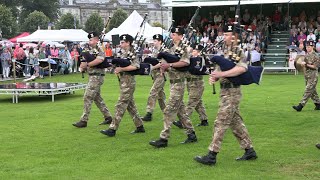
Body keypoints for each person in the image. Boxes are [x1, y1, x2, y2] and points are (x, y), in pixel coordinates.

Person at [194, 24, 258, 166]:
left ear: (235, 37)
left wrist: (221, 74)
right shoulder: (224, 51)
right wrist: (215, 77)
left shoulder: (240, 51)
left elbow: (241, 69)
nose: (225, 36)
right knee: (236, 124)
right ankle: (250, 151)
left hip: (233, 92)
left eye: (228, 34)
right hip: (224, 91)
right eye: (224, 34)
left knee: (220, 122)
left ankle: (212, 155)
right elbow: (219, 69)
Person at [149, 27, 197, 148]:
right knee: (181, 112)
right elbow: (166, 62)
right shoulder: (171, 48)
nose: (172, 36)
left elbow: (185, 63)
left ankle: (163, 139)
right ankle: (191, 134)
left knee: (168, 111)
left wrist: (169, 64)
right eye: (172, 34)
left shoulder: (184, 48)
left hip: (179, 83)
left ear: (181, 36)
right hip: (172, 82)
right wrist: (164, 67)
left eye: (175, 34)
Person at [100, 34, 145, 137]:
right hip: (123, 81)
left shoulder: (133, 52)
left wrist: (122, 69)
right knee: (130, 106)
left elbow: (135, 66)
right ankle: (140, 126)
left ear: (128, 42)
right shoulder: (122, 52)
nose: (120, 44)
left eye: (123, 42)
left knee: (120, 105)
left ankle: (112, 129)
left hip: (129, 81)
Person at [72, 31, 113, 128]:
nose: (89, 42)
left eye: (91, 40)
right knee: (97, 98)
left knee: (87, 96)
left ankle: (84, 120)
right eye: (89, 40)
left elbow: (100, 59)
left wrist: (88, 64)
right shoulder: (90, 50)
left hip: (97, 75)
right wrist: (83, 65)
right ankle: (108, 117)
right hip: (92, 75)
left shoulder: (100, 49)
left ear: (96, 40)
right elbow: (84, 61)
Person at [172, 44, 209, 127]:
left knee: (191, 103)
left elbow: (195, 70)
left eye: (194, 51)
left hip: (197, 83)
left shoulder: (199, 59)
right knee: (198, 102)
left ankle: (183, 121)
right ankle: (204, 119)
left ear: (199, 52)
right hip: (190, 83)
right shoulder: (192, 59)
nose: (192, 52)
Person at [141, 34, 166, 121]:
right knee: (160, 97)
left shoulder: (164, 50)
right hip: (155, 75)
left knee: (153, 92)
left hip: (161, 75)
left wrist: (151, 68)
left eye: (155, 41)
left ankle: (149, 113)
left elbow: (162, 63)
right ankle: (167, 114)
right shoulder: (155, 51)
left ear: (160, 41)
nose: (154, 42)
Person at [292, 41, 320, 111]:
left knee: (308, 90)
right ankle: (318, 104)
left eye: (309, 47)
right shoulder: (306, 55)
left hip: (313, 76)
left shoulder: (316, 56)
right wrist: (300, 64)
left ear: (312, 47)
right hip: (307, 75)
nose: (307, 48)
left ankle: (300, 106)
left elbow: (315, 67)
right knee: (312, 91)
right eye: (307, 47)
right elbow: (302, 64)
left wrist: (306, 65)